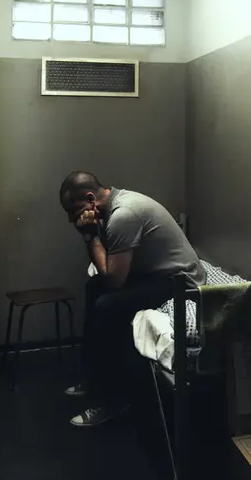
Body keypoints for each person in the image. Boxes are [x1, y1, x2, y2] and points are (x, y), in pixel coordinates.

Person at [59, 171, 206, 427]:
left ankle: (113, 400)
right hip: (157, 273)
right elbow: (110, 268)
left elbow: (114, 280)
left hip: (182, 282)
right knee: (94, 287)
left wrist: (90, 237)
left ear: (91, 198)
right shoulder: (113, 208)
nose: (72, 219)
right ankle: (95, 378)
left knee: (108, 306)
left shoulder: (123, 215)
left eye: (73, 211)